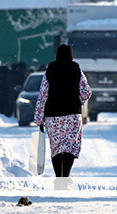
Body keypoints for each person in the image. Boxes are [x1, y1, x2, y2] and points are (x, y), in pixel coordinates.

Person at [33, 44, 92, 177]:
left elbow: (43, 95)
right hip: (72, 115)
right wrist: (77, 102)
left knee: (57, 149)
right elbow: (86, 92)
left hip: (53, 116)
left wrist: (39, 118)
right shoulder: (77, 70)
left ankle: (59, 178)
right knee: (70, 148)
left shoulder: (50, 71)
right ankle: (65, 177)